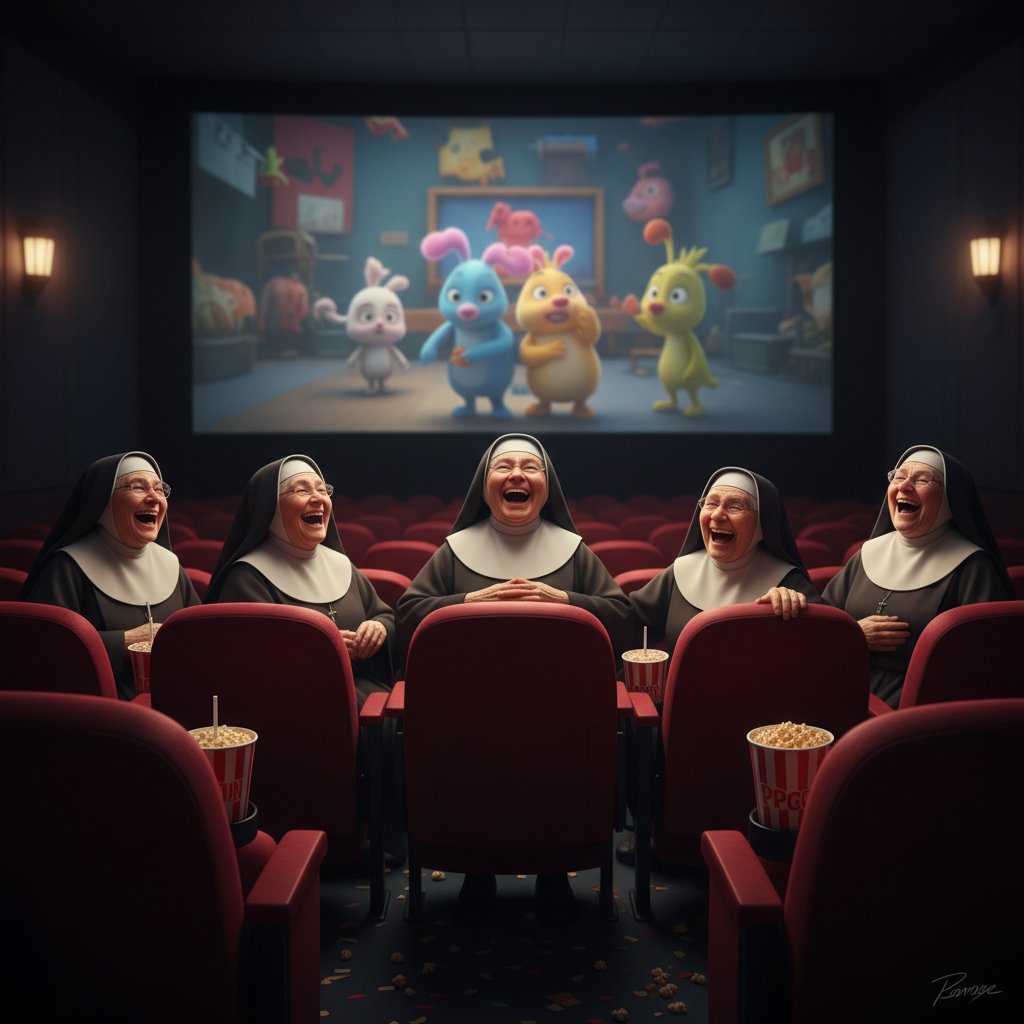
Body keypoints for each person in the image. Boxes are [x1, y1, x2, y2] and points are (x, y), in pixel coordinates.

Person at [395, 433, 632, 927]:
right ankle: (475, 871)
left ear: (547, 485)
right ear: (484, 485)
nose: (518, 475)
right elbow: (409, 614)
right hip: (469, 712)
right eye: (504, 467)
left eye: (531, 466)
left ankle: (555, 870)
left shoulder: (574, 552)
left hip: (559, 712)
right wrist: (468, 601)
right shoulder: (455, 551)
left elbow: (622, 617)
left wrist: (564, 599)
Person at [621, 466, 817, 863]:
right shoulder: (681, 572)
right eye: (710, 503)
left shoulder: (786, 582)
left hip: (755, 719)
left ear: (763, 523)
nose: (718, 514)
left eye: (735, 506)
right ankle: (662, 833)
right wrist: (569, 601)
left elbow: (822, 652)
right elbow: (628, 620)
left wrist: (800, 607)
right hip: (680, 719)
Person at [822, 445, 1011, 708]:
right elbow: (821, 628)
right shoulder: (866, 554)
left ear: (950, 498)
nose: (904, 486)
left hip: (922, 708)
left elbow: (983, 663)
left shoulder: (973, 567)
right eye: (899, 477)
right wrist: (854, 636)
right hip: (841, 692)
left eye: (922, 480)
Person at [206, 455, 395, 704]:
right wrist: (320, 649)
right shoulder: (247, 578)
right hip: (299, 707)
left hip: (366, 700)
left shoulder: (341, 564)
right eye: (302, 490)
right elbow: (249, 663)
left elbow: (385, 615)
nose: (318, 498)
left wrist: (379, 628)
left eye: (322, 490)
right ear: (270, 508)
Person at [21, 451, 200, 700]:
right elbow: (45, 651)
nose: (153, 498)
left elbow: (199, 635)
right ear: (103, 501)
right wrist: (124, 641)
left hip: (176, 700)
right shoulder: (67, 567)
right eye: (138, 487)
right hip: (99, 711)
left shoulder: (170, 564)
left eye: (160, 489)